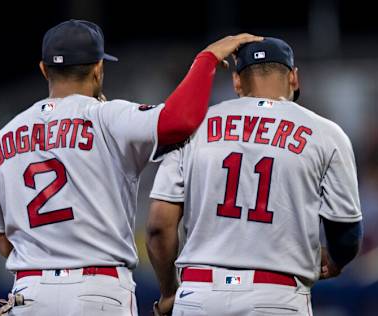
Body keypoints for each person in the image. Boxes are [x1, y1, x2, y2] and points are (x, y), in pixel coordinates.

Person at [0, 18, 263, 315]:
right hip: (97, 291)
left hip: (30, 295)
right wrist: (206, 59)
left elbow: (4, 243)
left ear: (43, 69)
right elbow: (178, 121)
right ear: (98, 69)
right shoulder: (106, 117)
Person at [147, 37, 363, 316]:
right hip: (277, 296)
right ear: (294, 78)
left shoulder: (194, 126)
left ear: (237, 81)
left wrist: (169, 292)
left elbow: (158, 226)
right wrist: (335, 260)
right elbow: (346, 233)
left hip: (200, 294)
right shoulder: (326, 133)